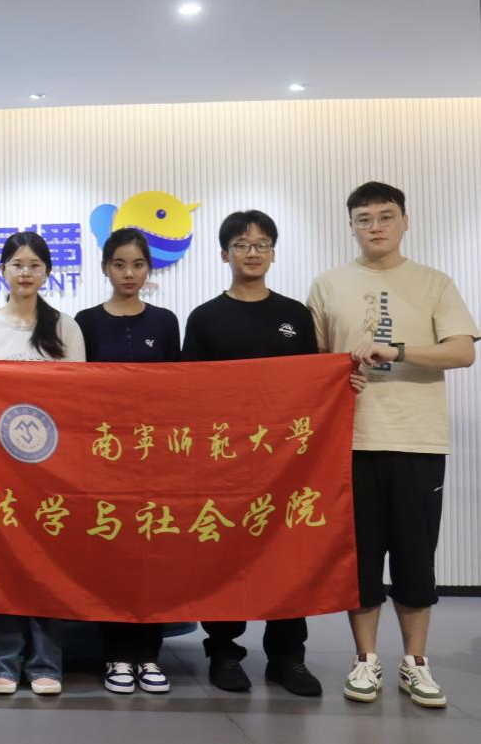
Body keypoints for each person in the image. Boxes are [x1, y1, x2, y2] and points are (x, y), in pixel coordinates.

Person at [307, 182, 478, 708]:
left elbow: (462, 352)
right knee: (359, 560)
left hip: (417, 440)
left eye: (385, 216)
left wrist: (396, 350)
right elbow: (315, 364)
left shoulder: (434, 282)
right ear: (351, 227)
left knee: (414, 559)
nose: (375, 226)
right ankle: (365, 660)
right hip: (349, 444)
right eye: (364, 219)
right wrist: (339, 376)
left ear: (405, 221)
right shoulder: (328, 284)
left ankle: (415, 663)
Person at [181, 210, 323, 697]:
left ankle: (288, 657)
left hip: (286, 462)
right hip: (225, 462)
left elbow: (314, 384)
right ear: (225, 254)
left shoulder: (295, 315)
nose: (253, 252)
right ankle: (223, 651)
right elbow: (189, 393)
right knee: (223, 555)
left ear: (274, 253)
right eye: (242, 245)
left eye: (262, 244)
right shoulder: (205, 317)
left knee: (289, 553)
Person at [0, 232, 84, 696]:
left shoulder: (65, 328)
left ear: (47, 272)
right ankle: (0, 662)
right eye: (17, 264)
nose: (25, 273)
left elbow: (77, 398)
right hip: (1, 466)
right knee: (4, 562)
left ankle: (45, 664)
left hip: (53, 468)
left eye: (34, 265)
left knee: (48, 563)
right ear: (2, 271)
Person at [74, 227, 178, 695]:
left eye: (137, 265)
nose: (129, 273)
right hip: (105, 460)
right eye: (119, 264)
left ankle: (149, 655)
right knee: (111, 556)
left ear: (148, 269)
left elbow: (182, 391)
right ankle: (116, 655)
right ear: (105, 268)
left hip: (156, 461)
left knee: (154, 557)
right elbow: (75, 392)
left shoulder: (166, 322)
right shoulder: (86, 322)